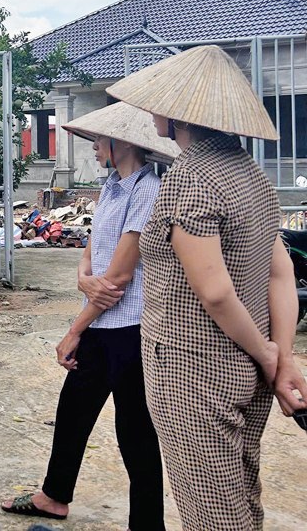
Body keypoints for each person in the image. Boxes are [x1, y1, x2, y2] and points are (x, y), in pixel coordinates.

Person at [108, 44, 307, 530]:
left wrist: (271, 357)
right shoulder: (252, 175)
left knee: (213, 513)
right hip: (247, 370)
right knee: (241, 494)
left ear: (179, 116)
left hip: (192, 371)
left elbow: (215, 293)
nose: (151, 112)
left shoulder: (189, 178)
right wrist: (280, 356)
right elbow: (280, 273)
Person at [1, 102, 178, 529]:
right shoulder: (112, 187)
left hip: (132, 329)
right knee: (73, 411)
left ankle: (147, 525)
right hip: (100, 322)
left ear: (122, 143)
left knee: (135, 432)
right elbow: (91, 253)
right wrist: (83, 280)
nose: (95, 146)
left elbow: (118, 277)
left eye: (100, 139)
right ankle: (54, 496)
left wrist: (72, 330)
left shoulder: (148, 190)